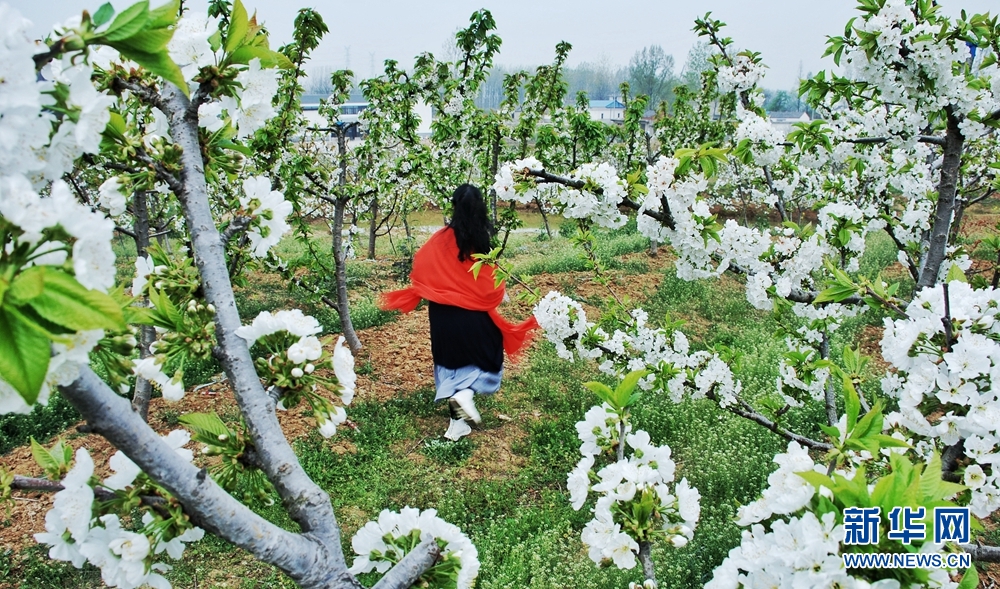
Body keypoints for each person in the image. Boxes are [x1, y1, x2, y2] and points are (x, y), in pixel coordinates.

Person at [380, 184, 538, 440]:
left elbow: (421, 264)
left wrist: (436, 289)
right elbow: (493, 283)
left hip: (443, 317)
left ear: (454, 207)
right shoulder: (483, 244)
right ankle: (465, 395)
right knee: (486, 358)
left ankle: (457, 425)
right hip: (474, 318)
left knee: (451, 364)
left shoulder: (439, 239)